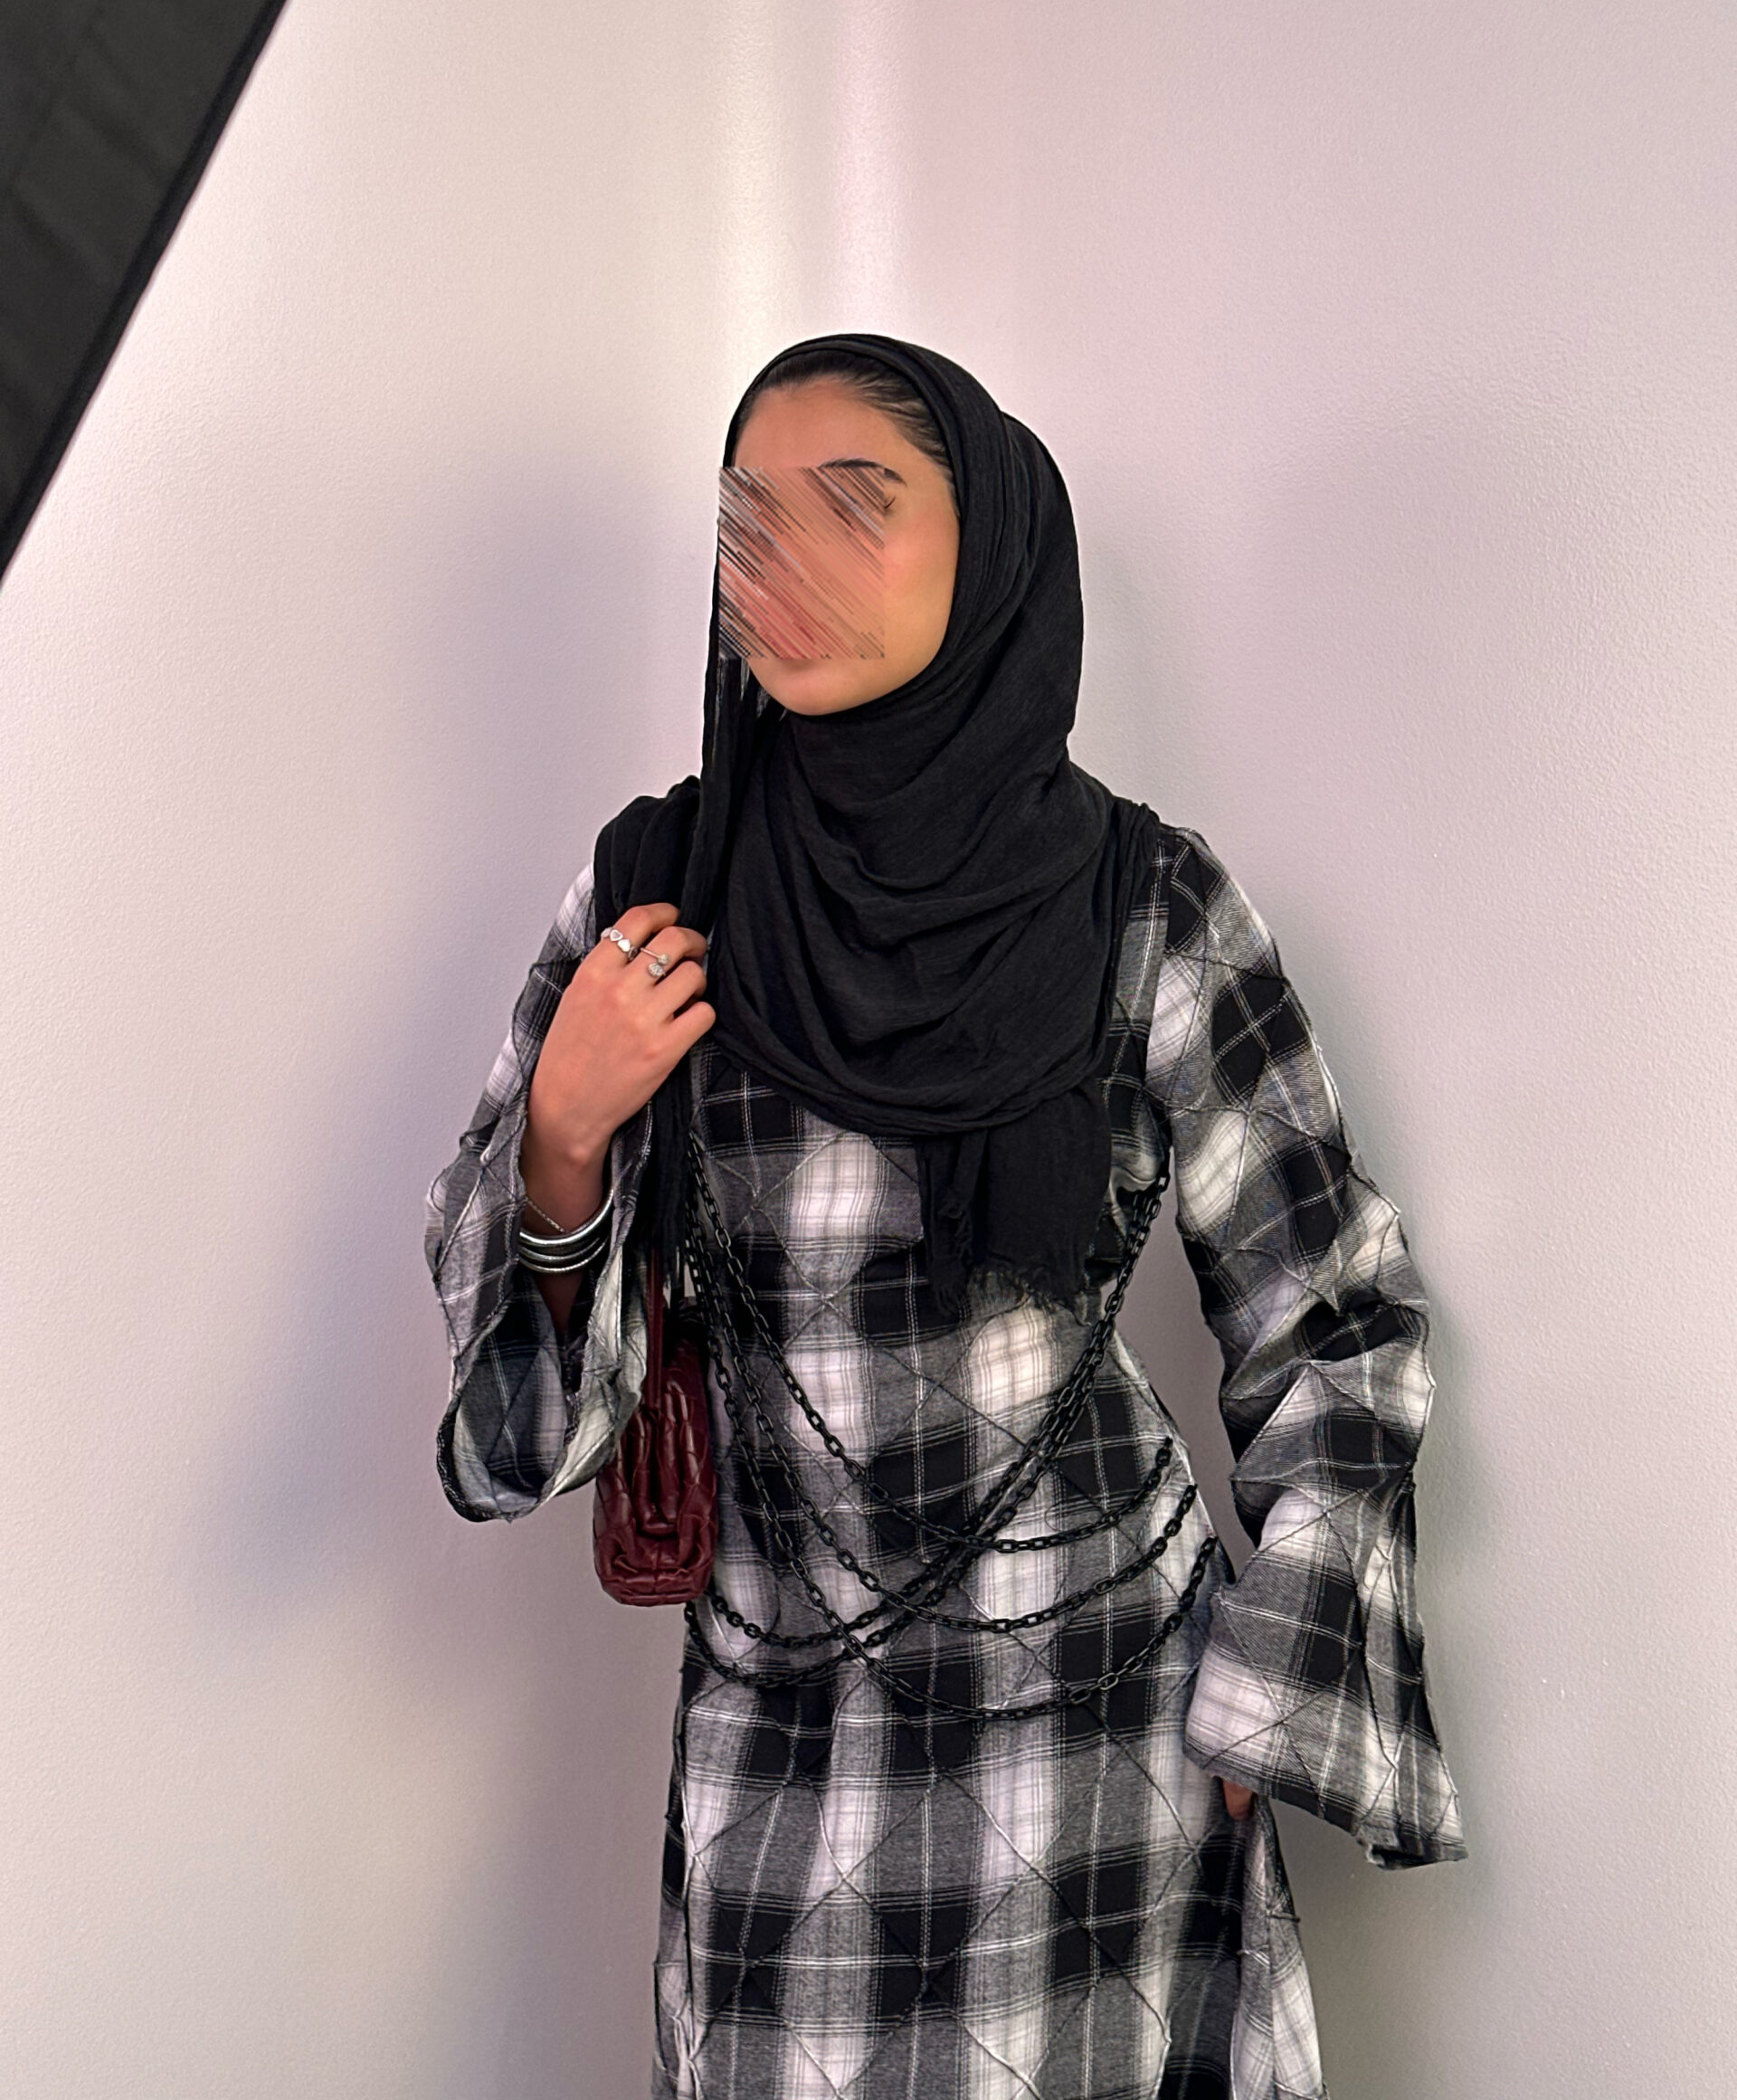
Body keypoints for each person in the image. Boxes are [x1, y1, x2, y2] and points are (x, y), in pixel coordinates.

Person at [423, 334, 1466, 2100]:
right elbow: (529, 1443)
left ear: (989, 548)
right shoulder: (659, 893)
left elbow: (1336, 1309)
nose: (787, 562)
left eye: (859, 503)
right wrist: (566, 1136)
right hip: (784, 1734)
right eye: (749, 517)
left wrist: (1273, 1678)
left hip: (1108, 1725)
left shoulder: (1141, 903)